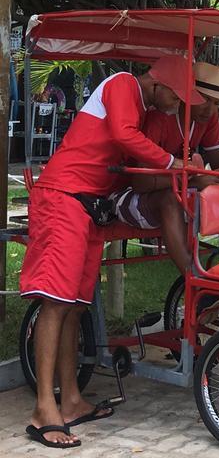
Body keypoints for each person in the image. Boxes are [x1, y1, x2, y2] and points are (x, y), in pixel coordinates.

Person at [19, 57, 201, 448]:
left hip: (89, 205)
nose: (176, 104)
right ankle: (42, 410)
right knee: (55, 302)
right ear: (160, 83)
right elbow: (122, 134)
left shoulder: (142, 103)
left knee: (75, 304)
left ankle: (69, 400)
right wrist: (174, 163)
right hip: (64, 196)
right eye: (176, 95)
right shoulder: (122, 85)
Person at [112, 62, 219, 276]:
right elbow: (141, 183)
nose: (210, 109)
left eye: (216, 103)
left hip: (177, 194)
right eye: (205, 100)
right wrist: (195, 180)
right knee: (170, 200)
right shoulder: (160, 118)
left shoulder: (208, 119)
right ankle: (193, 278)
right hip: (127, 196)